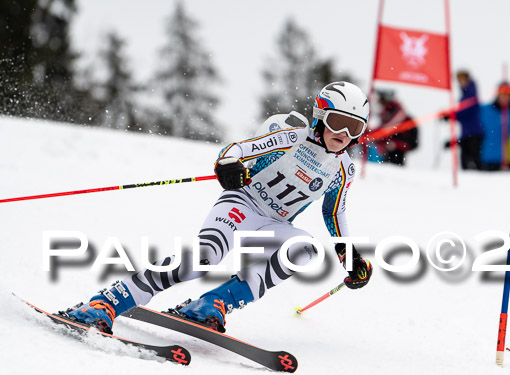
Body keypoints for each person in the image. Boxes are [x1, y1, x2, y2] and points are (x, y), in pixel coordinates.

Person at [60, 81, 373, 334]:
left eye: (354, 128)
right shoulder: (293, 137)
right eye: (338, 123)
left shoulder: (342, 168)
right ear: (321, 115)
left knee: (305, 249)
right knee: (205, 257)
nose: (343, 135)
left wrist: (350, 257)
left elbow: (334, 213)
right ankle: (108, 301)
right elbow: (238, 149)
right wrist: (227, 164)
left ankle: (213, 304)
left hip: (273, 224)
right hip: (242, 204)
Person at [479, 82, 510, 171]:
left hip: (508, 161)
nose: (505, 98)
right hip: (486, 159)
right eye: (502, 94)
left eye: (508, 95)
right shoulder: (484, 110)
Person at [374, 89, 418, 166]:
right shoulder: (383, 118)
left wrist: (396, 144)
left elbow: (413, 144)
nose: (380, 104)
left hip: (397, 161)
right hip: (381, 158)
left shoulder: (407, 121)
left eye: (381, 100)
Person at [454, 70, 484, 170]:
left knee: (472, 162)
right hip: (466, 134)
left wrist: (451, 115)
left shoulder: (471, 94)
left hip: (474, 133)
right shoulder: (465, 95)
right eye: (459, 79)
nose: (461, 82)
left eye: (463, 79)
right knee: (466, 163)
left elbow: (466, 111)